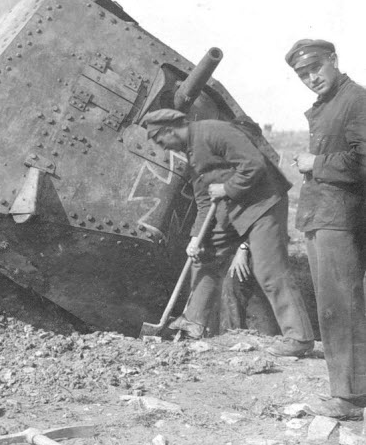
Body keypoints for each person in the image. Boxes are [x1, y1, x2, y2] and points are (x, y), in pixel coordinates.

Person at [140, 109, 314, 356]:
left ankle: (300, 338)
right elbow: (203, 199)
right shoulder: (190, 153)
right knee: (204, 254)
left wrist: (227, 188)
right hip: (233, 210)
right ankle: (193, 323)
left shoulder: (215, 131)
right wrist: (196, 237)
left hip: (263, 205)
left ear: (169, 130)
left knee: (269, 270)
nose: (163, 147)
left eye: (160, 140)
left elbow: (254, 165)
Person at [286, 39, 366, 419]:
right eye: (303, 74)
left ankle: (351, 398)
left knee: (342, 307)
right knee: (332, 308)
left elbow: (363, 161)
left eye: (316, 68)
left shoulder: (356, 99)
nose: (311, 78)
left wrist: (315, 162)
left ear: (333, 60)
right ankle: (347, 391)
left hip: (341, 217)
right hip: (323, 216)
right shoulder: (329, 104)